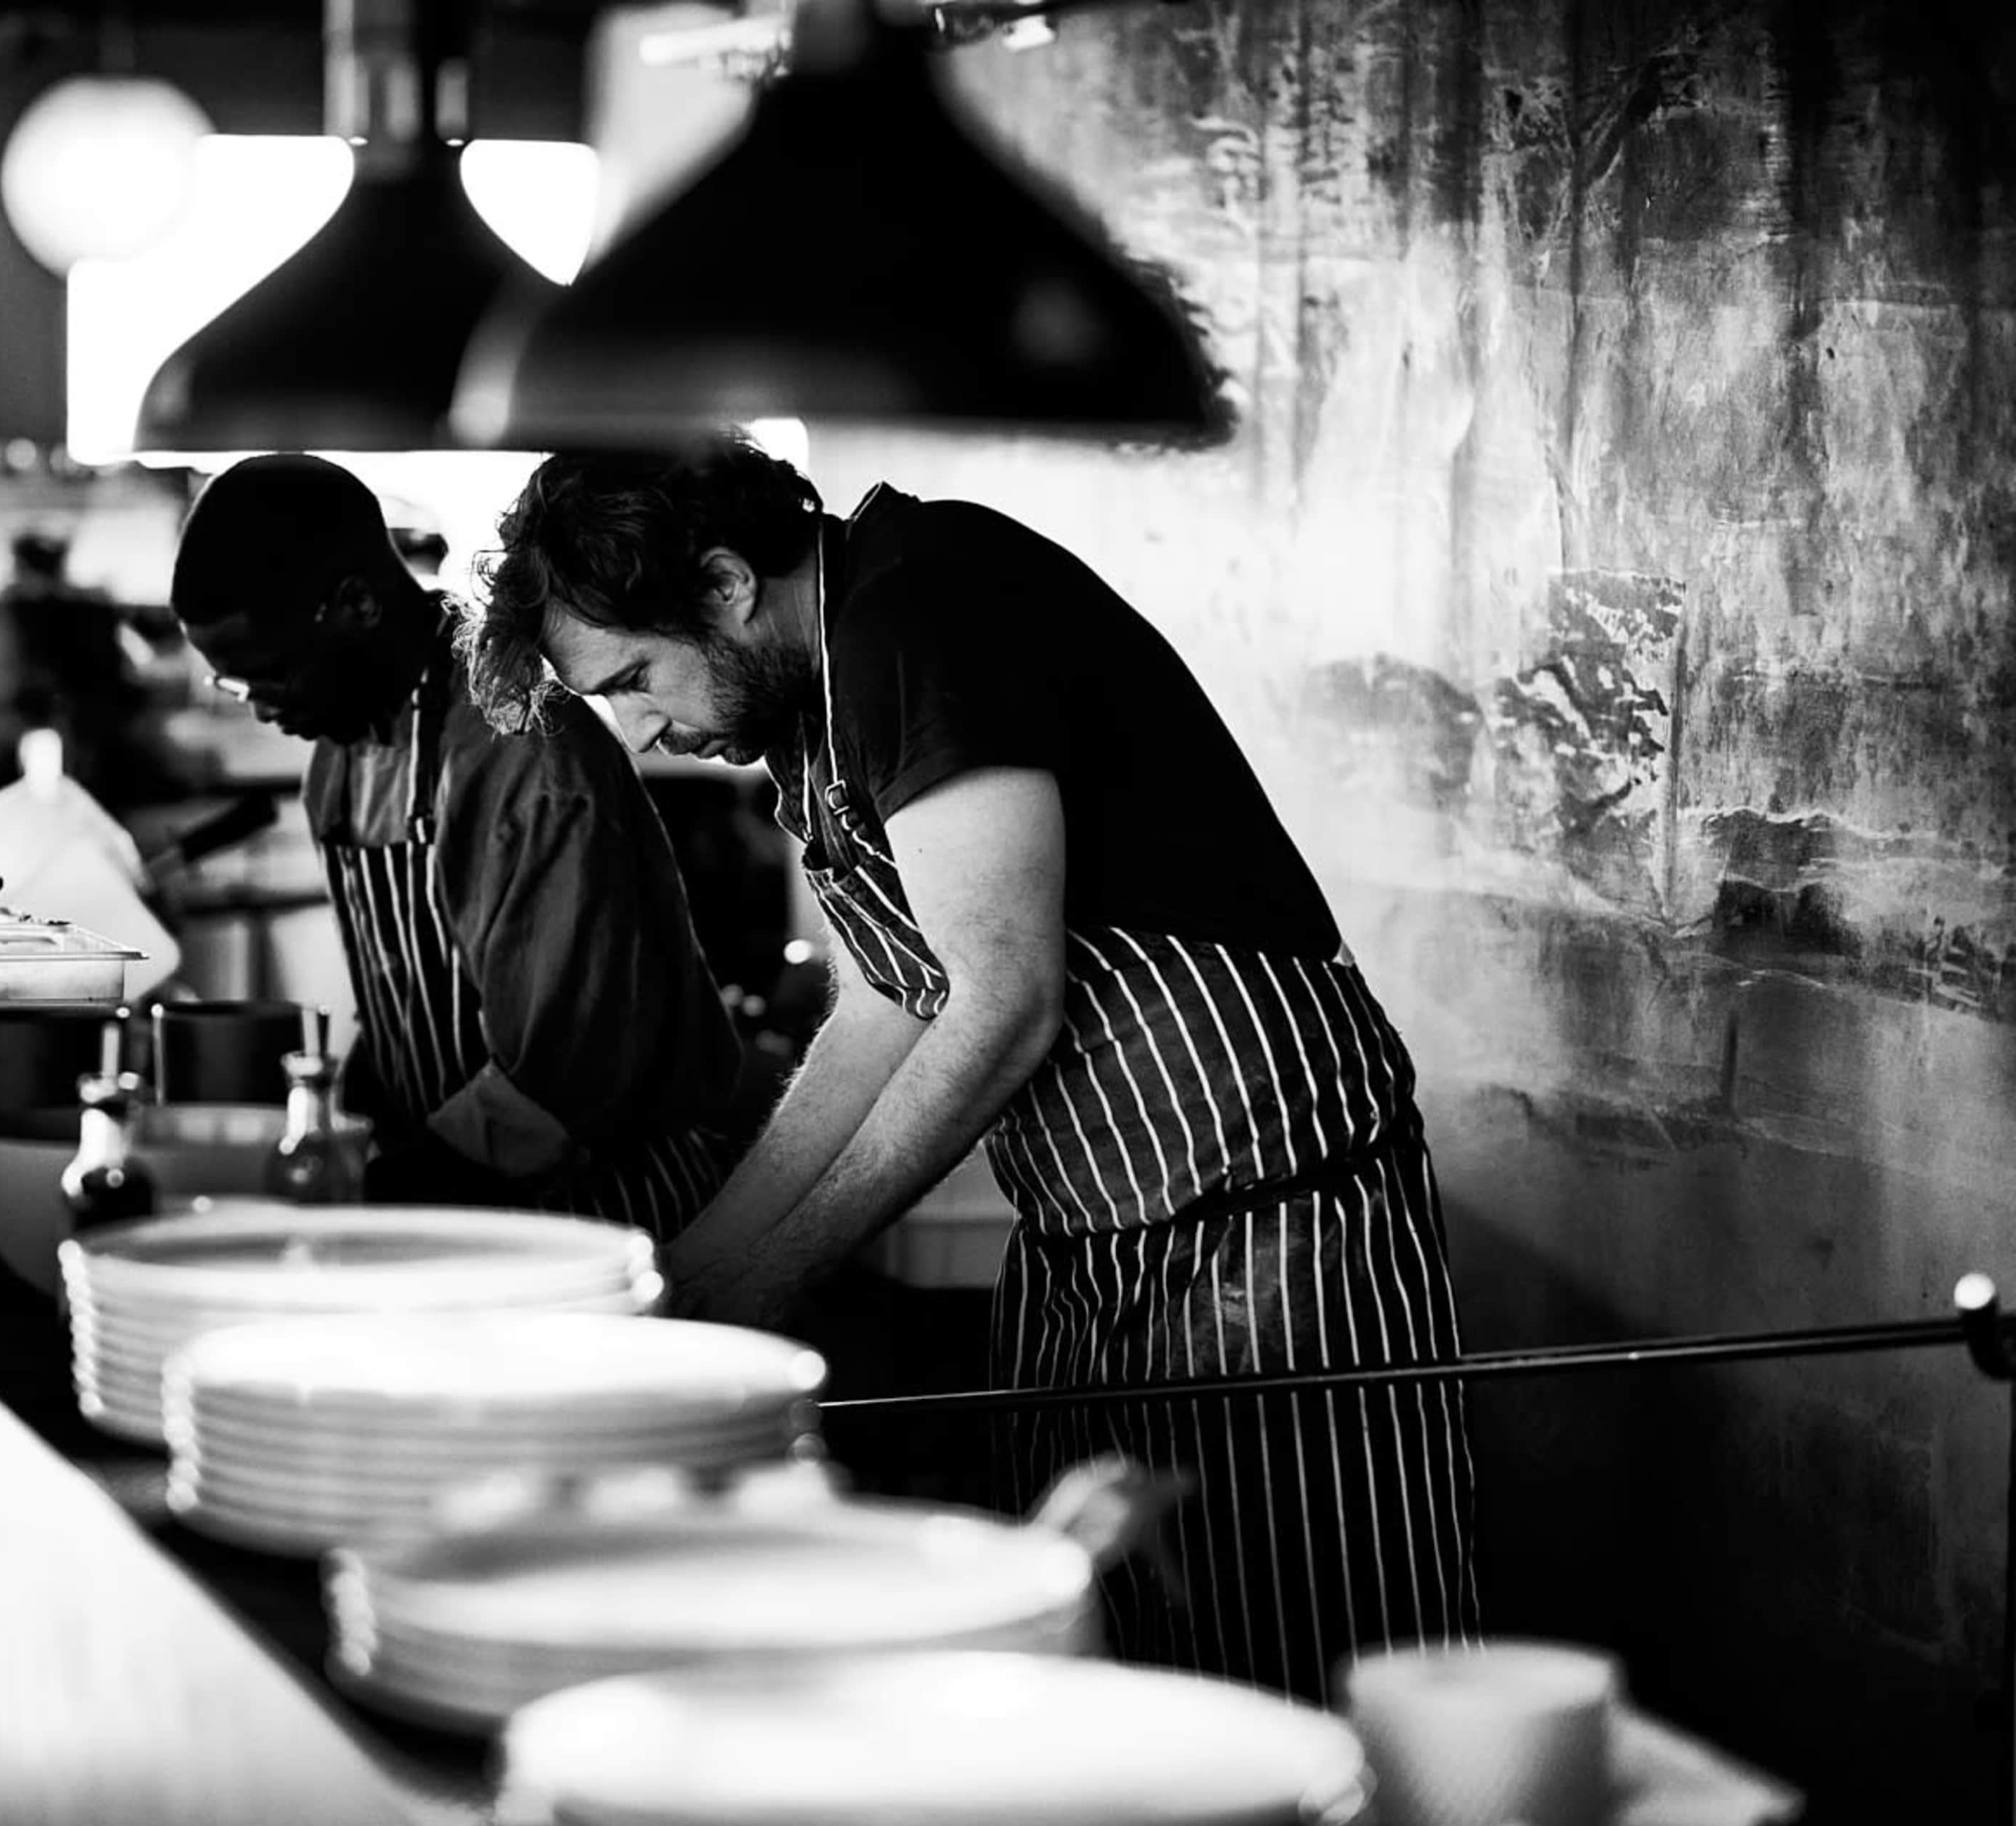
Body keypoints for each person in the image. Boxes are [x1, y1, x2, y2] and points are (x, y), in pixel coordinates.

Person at [462, 431, 1479, 1703]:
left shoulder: (921, 608)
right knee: (1094, 1656)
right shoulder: (810, 699)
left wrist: (779, 1279)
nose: (653, 726)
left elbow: (1000, 1006)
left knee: (1294, 1671)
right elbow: (895, 994)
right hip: (1090, 1232)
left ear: (725, 585)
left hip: (1265, 1234)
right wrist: (698, 1269)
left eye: (641, 677)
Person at [169, 453, 741, 1232]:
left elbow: (564, 1084)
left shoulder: (524, 753)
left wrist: (365, 1204)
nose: (259, 707)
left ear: (357, 605)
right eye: (231, 685)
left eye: (268, 675)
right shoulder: (340, 756)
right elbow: (404, 1024)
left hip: (603, 1211)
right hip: (466, 1201)